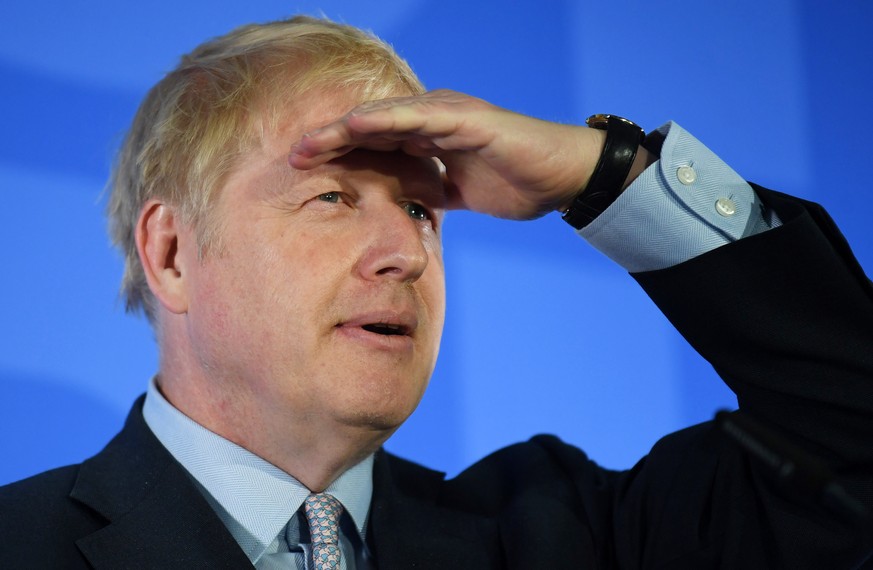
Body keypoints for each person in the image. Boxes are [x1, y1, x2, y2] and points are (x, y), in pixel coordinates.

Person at [1, 15, 872, 569]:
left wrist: (603, 174)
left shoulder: (558, 535)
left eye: (420, 208)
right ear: (172, 254)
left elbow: (851, 432)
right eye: (332, 197)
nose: (404, 252)